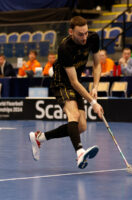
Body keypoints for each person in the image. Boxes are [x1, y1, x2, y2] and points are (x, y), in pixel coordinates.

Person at [29, 16, 104, 169]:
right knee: (73, 115)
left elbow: (97, 65)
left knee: (81, 126)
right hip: (61, 82)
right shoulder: (65, 48)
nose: (84, 38)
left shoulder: (93, 38)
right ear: (71, 32)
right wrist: (93, 103)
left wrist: (95, 86)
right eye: (80, 34)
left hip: (77, 80)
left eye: (86, 33)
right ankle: (79, 152)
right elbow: (73, 82)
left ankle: (40, 138)